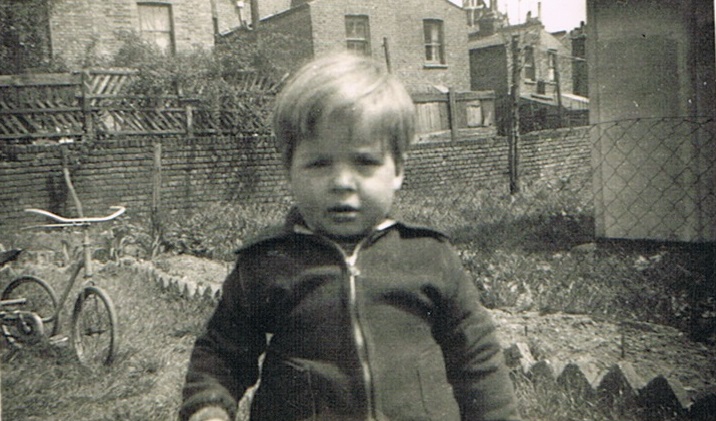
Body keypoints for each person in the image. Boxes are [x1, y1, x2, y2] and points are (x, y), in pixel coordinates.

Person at [179, 53, 520, 421]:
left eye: (364, 162)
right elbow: (222, 350)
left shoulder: (428, 255)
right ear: (289, 170)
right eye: (319, 163)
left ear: (398, 170)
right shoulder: (268, 262)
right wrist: (209, 403)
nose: (342, 183)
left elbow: (477, 358)